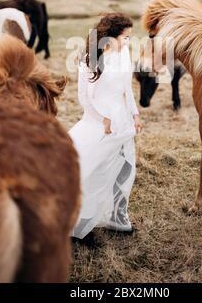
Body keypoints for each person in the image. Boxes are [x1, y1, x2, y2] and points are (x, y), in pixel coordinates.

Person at [69, 12, 142, 245]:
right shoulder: (90, 59)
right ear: (110, 37)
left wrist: (135, 114)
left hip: (122, 122)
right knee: (94, 175)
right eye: (125, 37)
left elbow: (126, 89)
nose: (128, 42)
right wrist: (103, 120)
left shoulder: (123, 55)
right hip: (99, 124)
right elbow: (84, 98)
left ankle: (117, 218)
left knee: (125, 169)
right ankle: (79, 227)